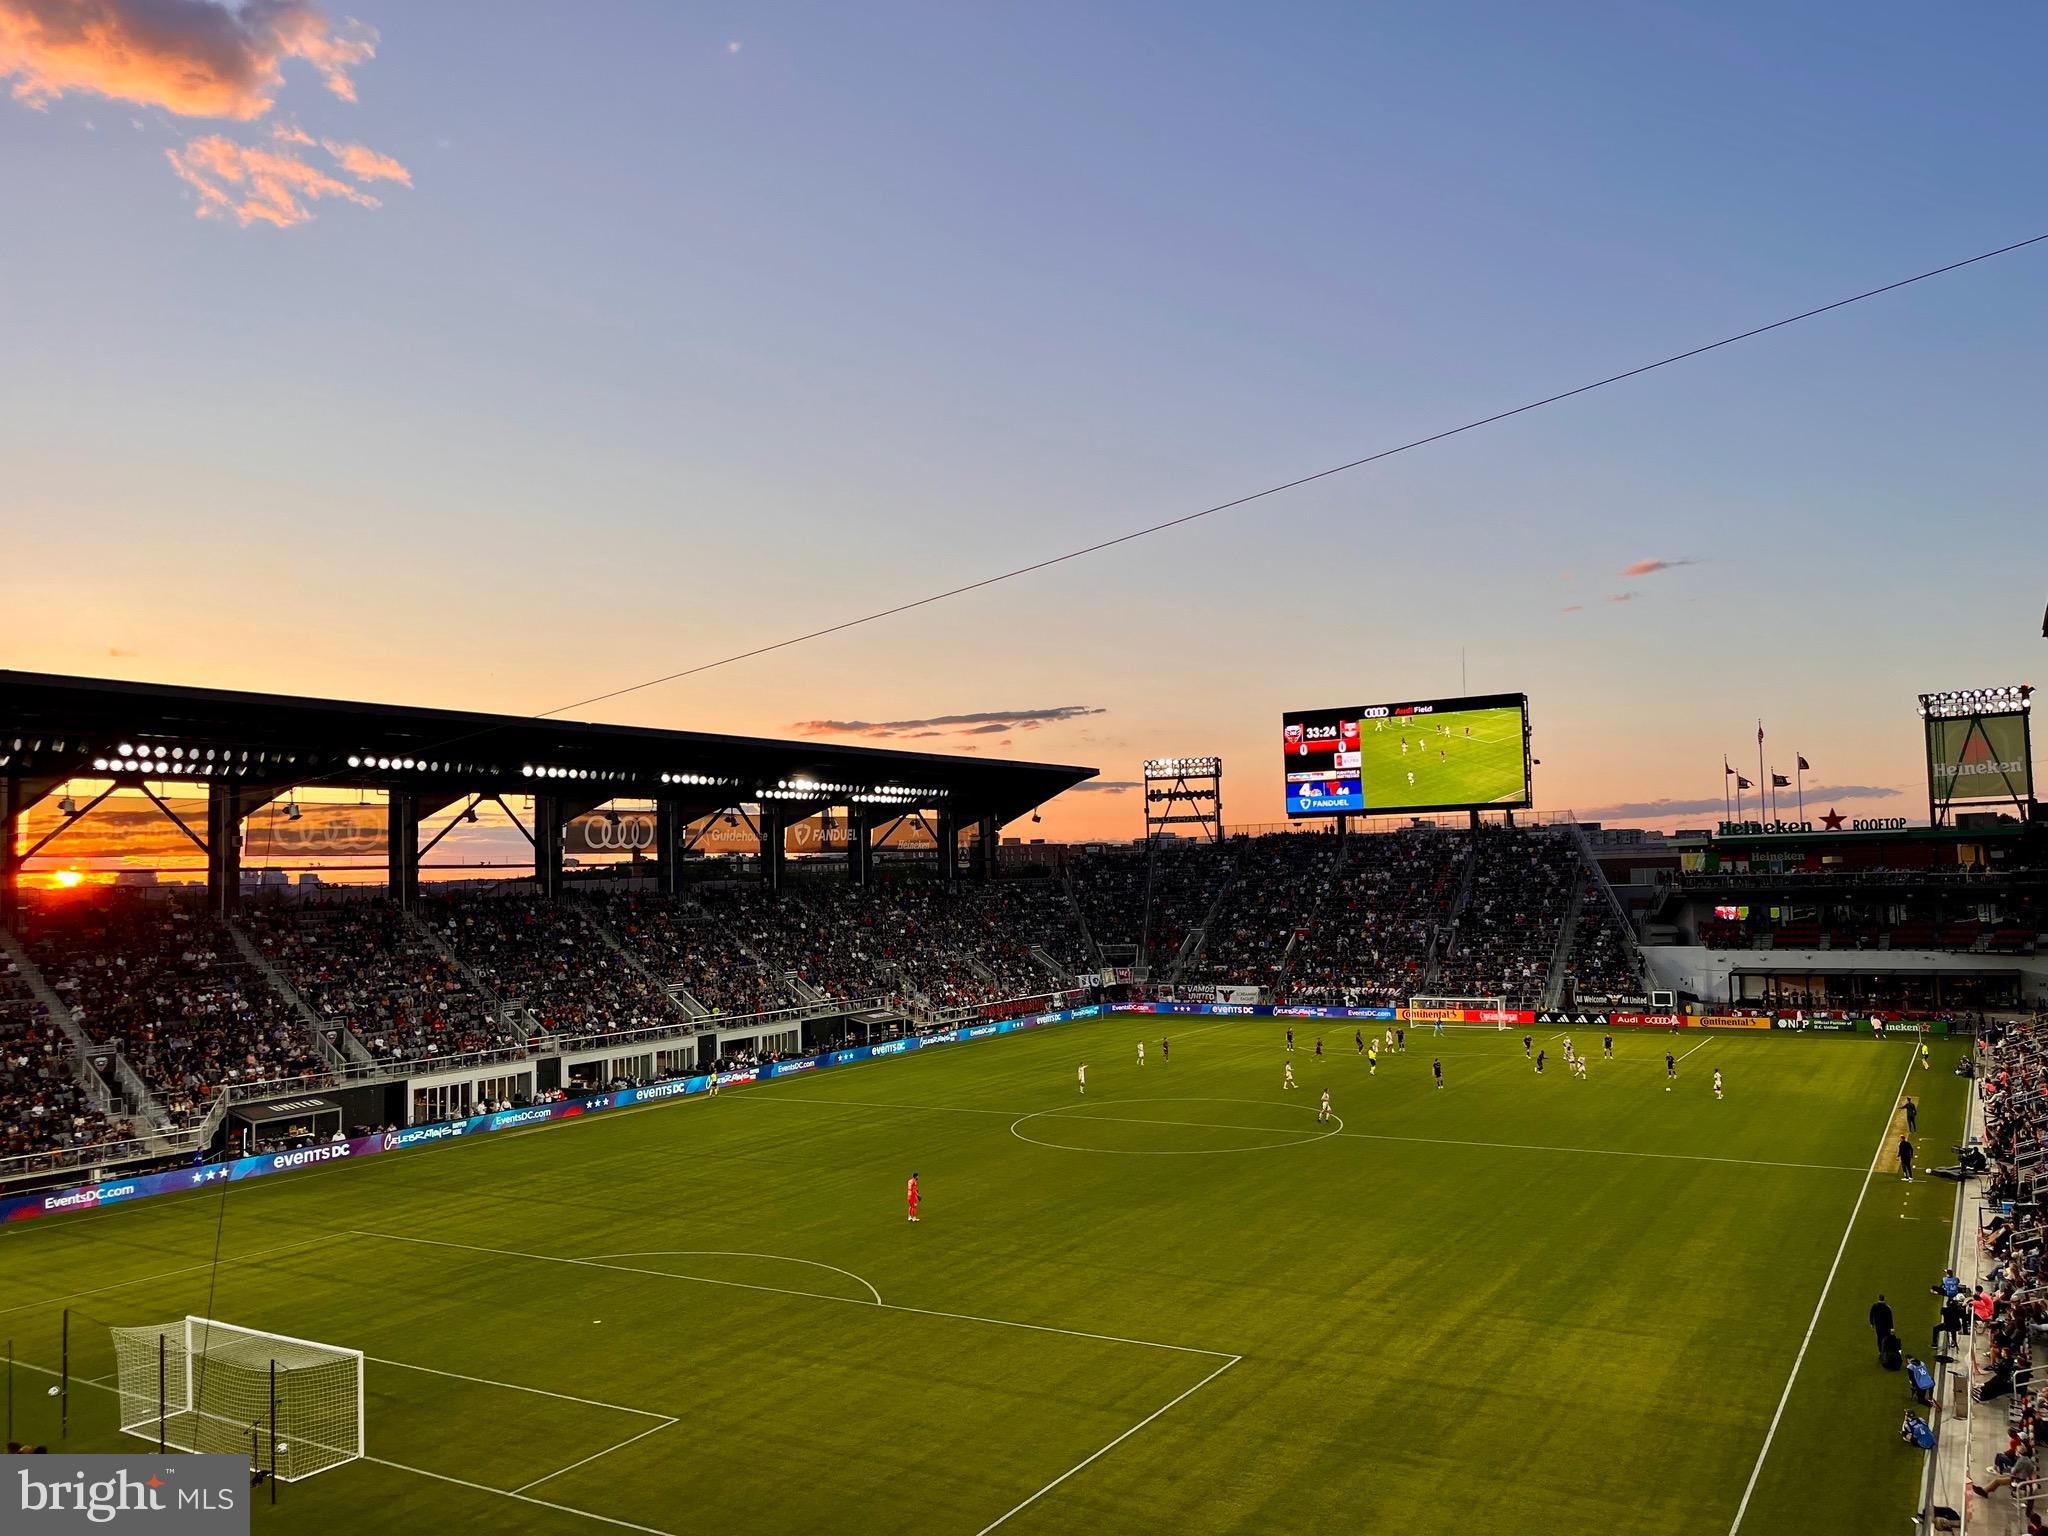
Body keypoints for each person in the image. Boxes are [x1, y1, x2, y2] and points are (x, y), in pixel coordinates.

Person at [1869, 1294, 1895, 1361]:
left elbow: (1871, 1315)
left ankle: (1880, 1352)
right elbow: (1890, 1318)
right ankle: (1886, 1352)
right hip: (1886, 1327)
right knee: (1886, 1338)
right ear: (1884, 1299)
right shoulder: (1887, 1308)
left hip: (1878, 1326)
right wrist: (1892, 1328)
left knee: (1879, 1339)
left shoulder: (1874, 1306)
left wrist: (1871, 1323)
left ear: (1878, 1298)